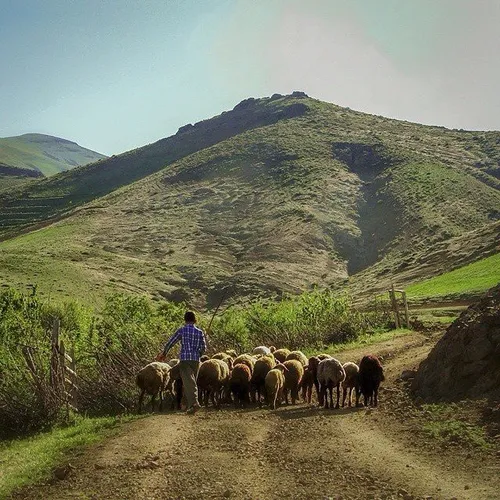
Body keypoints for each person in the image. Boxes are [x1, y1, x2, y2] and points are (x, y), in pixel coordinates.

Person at [157, 311, 207, 414]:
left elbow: (171, 342)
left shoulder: (182, 330)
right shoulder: (200, 332)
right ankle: (189, 406)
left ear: (185, 319)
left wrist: (164, 353)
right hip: (196, 361)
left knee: (189, 383)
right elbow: (204, 348)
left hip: (185, 360)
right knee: (191, 382)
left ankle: (195, 404)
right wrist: (198, 355)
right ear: (195, 320)